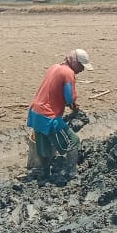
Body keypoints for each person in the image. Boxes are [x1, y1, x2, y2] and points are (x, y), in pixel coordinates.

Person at [26, 49, 93, 183]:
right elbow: (69, 97)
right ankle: (72, 174)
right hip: (48, 116)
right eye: (81, 67)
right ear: (75, 62)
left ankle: (44, 174)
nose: (82, 70)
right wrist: (73, 105)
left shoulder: (54, 67)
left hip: (35, 113)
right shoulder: (68, 73)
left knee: (44, 145)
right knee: (73, 141)